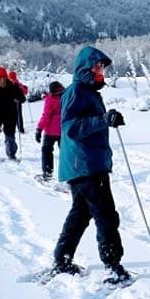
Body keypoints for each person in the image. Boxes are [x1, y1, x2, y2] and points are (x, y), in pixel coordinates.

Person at [50, 46, 131, 286]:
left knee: (81, 213)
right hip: (85, 164)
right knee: (105, 214)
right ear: (85, 67)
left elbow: (89, 123)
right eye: (97, 66)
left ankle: (62, 259)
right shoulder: (76, 91)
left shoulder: (89, 92)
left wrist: (108, 119)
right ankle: (113, 267)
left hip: (86, 162)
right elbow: (71, 128)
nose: (101, 71)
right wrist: (102, 120)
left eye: (103, 67)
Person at [35, 80, 65, 181]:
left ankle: (47, 174)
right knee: (65, 153)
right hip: (64, 130)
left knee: (47, 151)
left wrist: (39, 129)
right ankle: (69, 175)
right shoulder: (66, 97)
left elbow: (46, 116)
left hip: (51, 131)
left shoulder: (50, 100)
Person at [8, 70, 29, 135]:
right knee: (19, 115)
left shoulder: (8, 83)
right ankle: (21, 128)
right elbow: (25, 92)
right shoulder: (18, 83)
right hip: (18, 102)